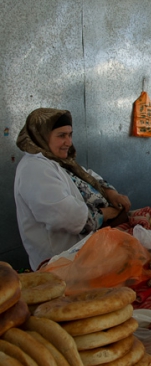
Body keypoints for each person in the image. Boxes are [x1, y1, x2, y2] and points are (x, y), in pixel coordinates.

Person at [14, 108, 131, 270]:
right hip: (61, 264)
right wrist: (105, 214)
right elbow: (65, 216)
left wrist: (111, 193)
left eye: (70, 135)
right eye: (61, 135)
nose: (68, 142)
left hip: (80, 257)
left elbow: (86, 175)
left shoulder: (55, 160)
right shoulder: (35, 168)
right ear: (41, 135)